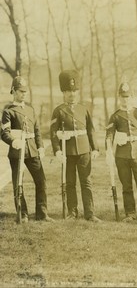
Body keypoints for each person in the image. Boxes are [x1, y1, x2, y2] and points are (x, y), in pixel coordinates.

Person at [1, 75, 53, 223]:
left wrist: (41, 147)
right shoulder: (8, 111)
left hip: (32, 150)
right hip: (17, 150)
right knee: (18, 183)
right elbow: (4, 132)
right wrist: (13, 141)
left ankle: (42, 214)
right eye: (20, 91)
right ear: (13, 91)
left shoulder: (30, 109)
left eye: (25, 91)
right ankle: (22, 213)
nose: (23, 94)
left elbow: (36, 131)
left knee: (41, 180)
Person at [50, 69, 101, 222]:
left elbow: (91, 129)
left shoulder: (83, 108)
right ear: (63, 93)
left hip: (84, 149)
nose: (72, 94)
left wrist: (95, 148)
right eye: (68, 91)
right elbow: (53, 133)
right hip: (68, 151)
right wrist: (57, 151)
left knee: (86, 182)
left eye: (74, 91)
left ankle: (90, 214)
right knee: (70, 183)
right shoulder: (58, 111)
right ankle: (73, 212)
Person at [105, 80, 137, 226]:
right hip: (122, 156)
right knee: (126, 186)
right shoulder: (115, 116)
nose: (125, 100)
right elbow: (109, 135)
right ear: (119, 97)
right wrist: (109, 152)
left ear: (132, 96)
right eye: (122, 97)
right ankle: (130, 214)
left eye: (127, 97)